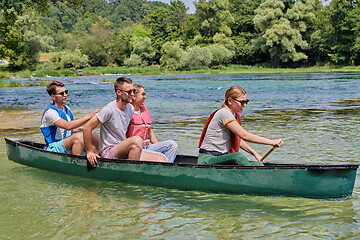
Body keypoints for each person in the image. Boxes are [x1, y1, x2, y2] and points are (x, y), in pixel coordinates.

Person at [83, 77, 166, 167]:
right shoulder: (109, 110)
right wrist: (89, 151)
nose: (132, 94)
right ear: (118, 92)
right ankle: (132, 173)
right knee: (137, 140)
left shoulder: (130, 108)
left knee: (161, 159)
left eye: (133, 91)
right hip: (109, 152)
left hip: (123, 148)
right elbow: (87, 128)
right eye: (129, 92)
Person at [198, 85, 284, 165]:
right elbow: (244, 135)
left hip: (222, 158)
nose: (245, 105)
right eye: (242, 102)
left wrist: (254, 153)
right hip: (208, 159)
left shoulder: (234, 114)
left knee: (257, 164)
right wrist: (271, 142)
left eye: (246, 101)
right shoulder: (224, 113)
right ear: (230, 101)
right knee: (238, 156)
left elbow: (238, 139)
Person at [40, 81, 99, 155]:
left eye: (66, 92)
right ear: (53, 97)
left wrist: (84, 129)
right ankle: (76, 163)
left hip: (66, 144)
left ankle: (96, 158)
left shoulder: (66, 108)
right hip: (54, 148)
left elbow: (69, 130)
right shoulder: (50, 112)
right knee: (77, 137)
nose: (65, 95)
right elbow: (68, 126)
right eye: (61, 93)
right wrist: (89, 116)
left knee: (94, 135)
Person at [126, 84, 178, 163]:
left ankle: (165, 167)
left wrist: (158, 146)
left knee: (172, 145)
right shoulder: (127, 112)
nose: (145, 97)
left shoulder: (143, 109)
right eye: (143, 94)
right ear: (134, 96)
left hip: (147, 147)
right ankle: (164, 167)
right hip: (135, 149)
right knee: (161, 157)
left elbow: (149, 131)